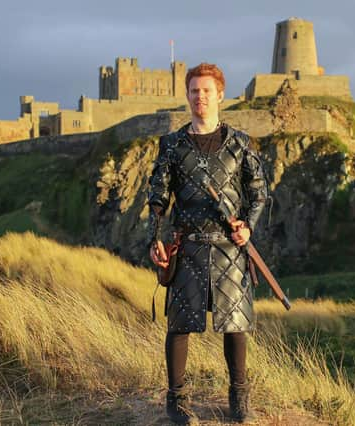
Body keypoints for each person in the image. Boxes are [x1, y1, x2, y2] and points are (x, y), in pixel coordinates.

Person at [147, 63, 267, 424]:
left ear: (219, 95)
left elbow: (259, 194)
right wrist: (156, 236)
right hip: (188, 246)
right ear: (188, 96)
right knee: (179, 325)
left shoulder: (240, 144)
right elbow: (158, 196)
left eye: (206, 90)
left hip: (230, 248)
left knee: (236, 325)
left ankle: (239, 399)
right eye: (194, 91)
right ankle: (177, 401)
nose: (200, 97)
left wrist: (248, 227)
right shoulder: (171, 145)